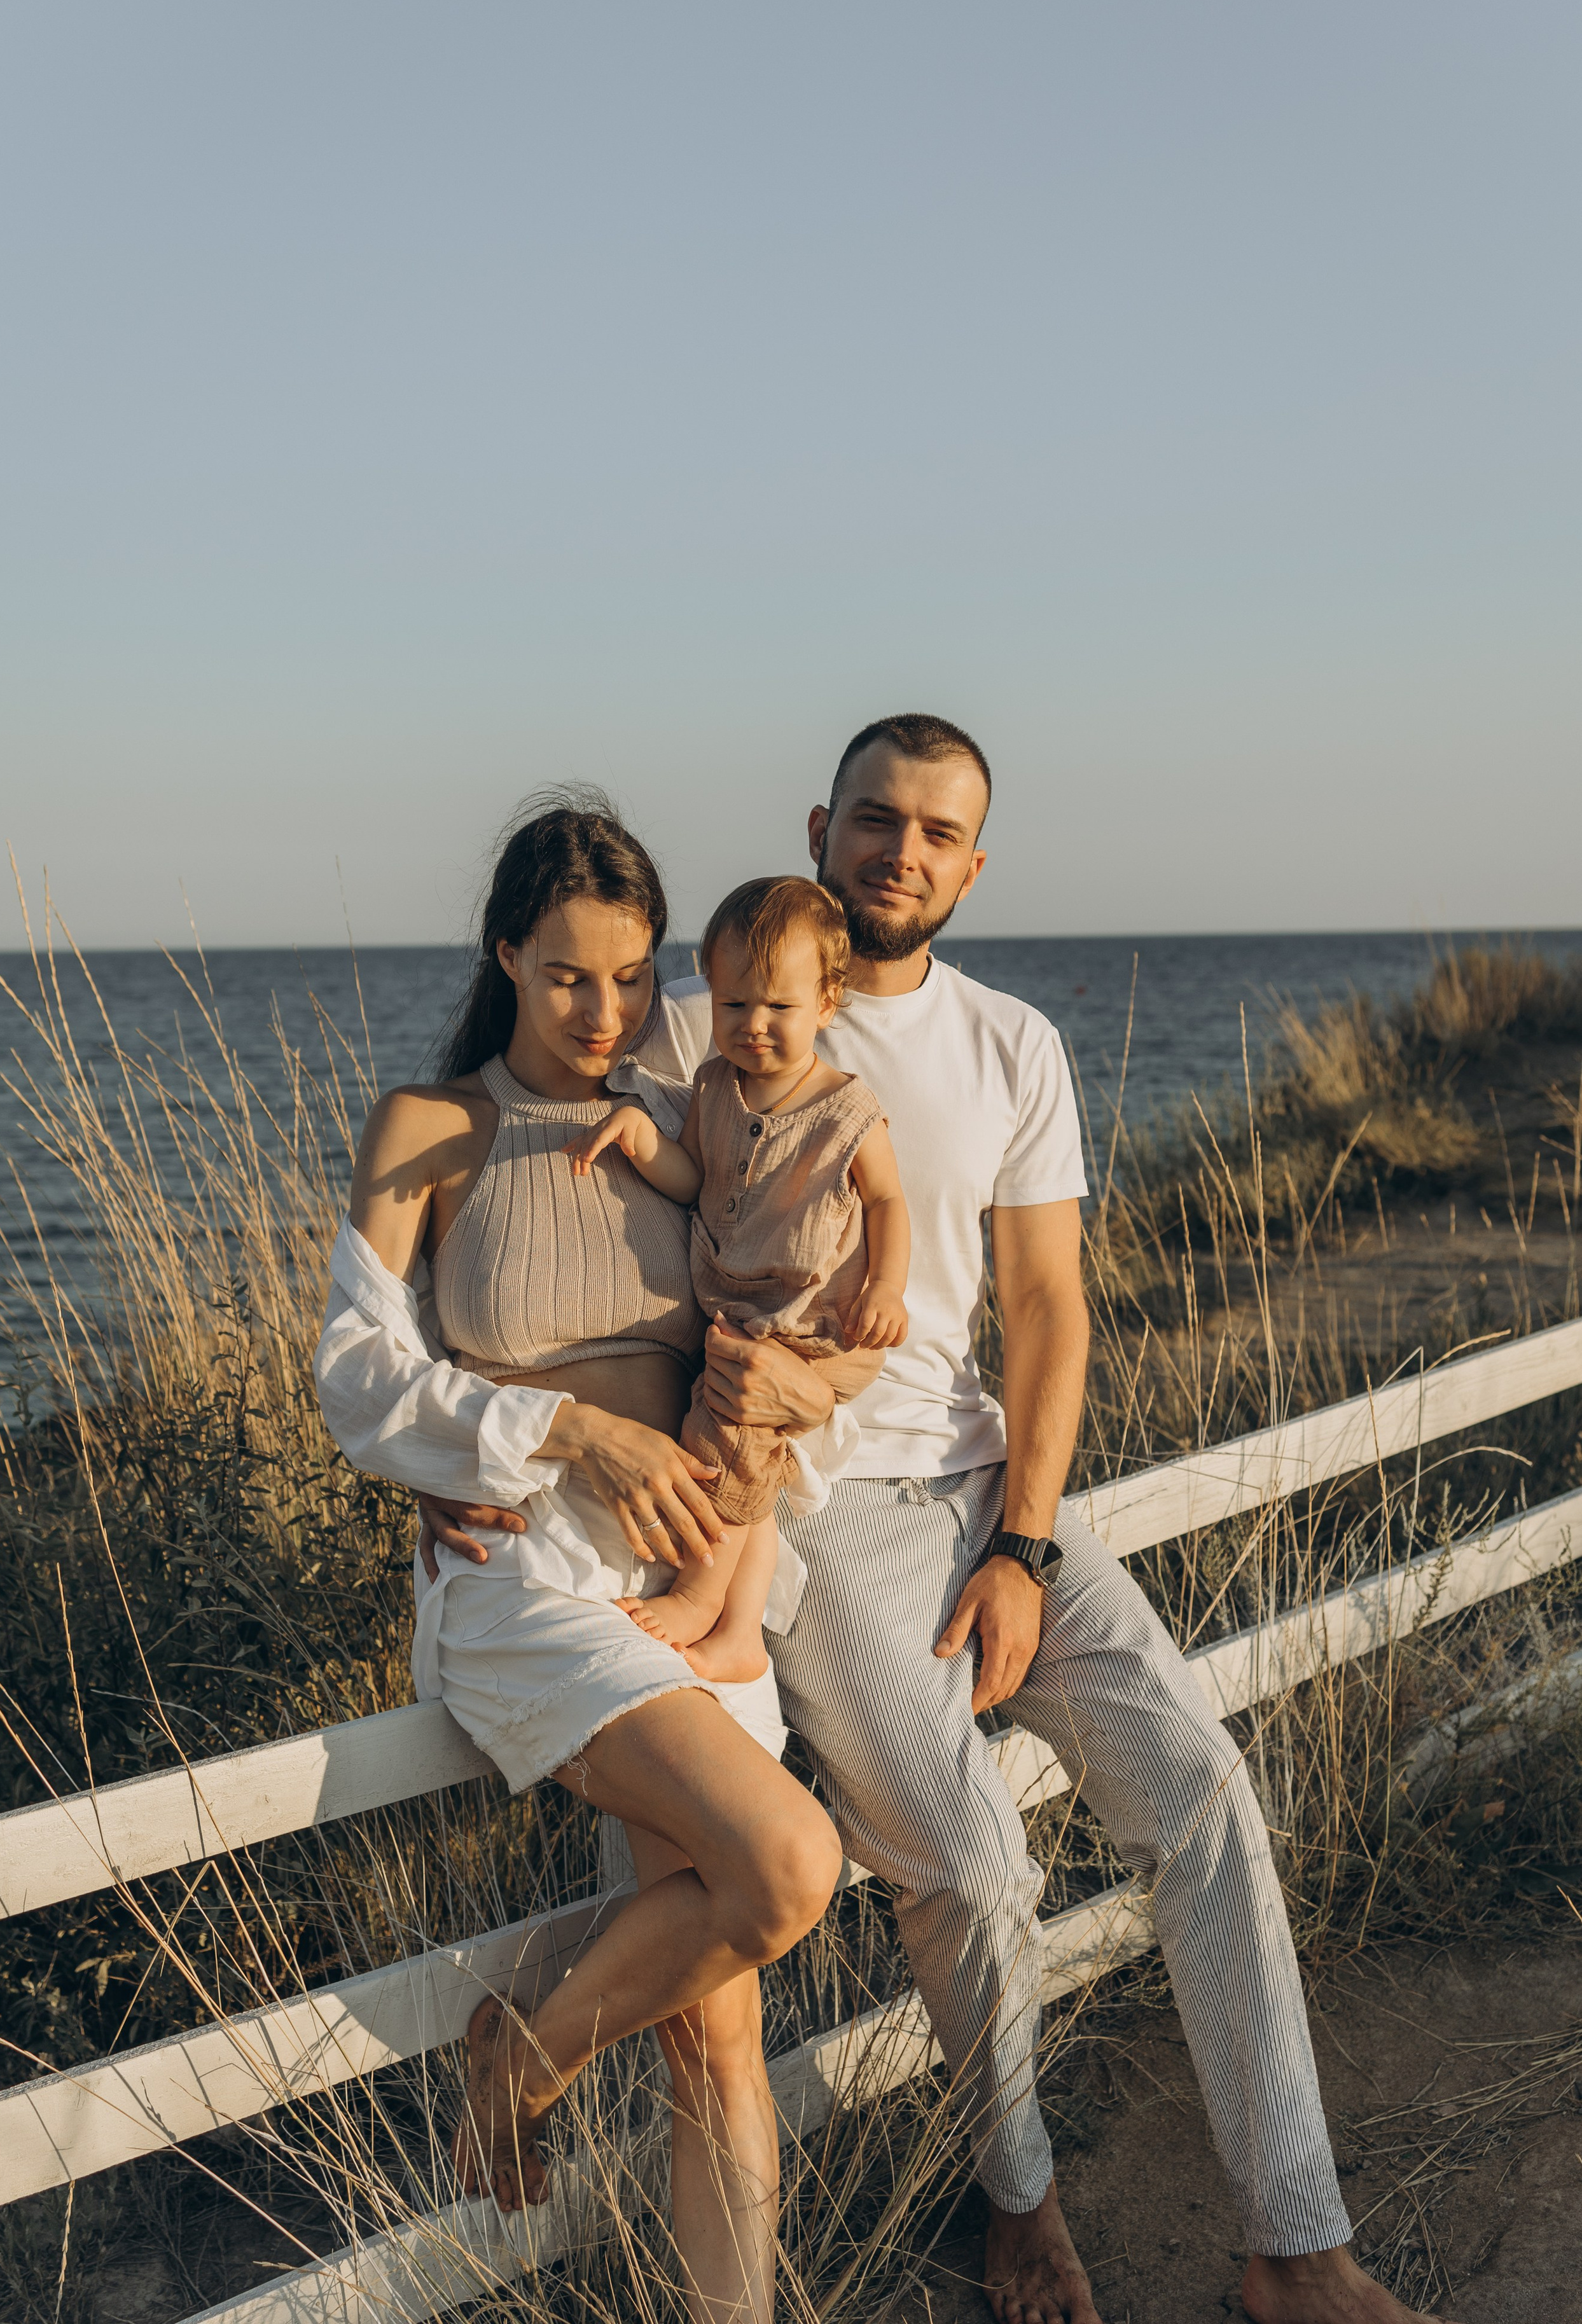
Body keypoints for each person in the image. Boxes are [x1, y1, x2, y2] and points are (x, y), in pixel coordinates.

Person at [627, 715, 1458, 2324]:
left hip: (986, 1489)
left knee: (1203, 1789)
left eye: (937, 832)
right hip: (810, 1511)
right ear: (818, 825)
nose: (900, 851)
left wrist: (1020, 1542)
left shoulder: (1010, 1042)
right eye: (875, 819)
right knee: (965, 1857)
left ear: (974, 862)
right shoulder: (696, 1025)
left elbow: (1047, 1310)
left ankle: (1293, 2245)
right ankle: (1018, 2201)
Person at [314, 795, 843, 2324]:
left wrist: (766, 1458)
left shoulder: (691, 1119)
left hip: (689, 1571)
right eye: (566, 976)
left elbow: (795, 1321)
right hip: (529, 1582)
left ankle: (535, 2065)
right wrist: (560, 1432)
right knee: (788, 1858)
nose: (605, 1012)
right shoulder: (434, 1125)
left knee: (719, 2031)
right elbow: (354, 1377)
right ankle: (524, 2051)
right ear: (504, 952)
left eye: (628, 976)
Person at [569, 872, 910, 1682]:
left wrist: (886, 1289)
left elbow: (890, 1200)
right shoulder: (714, 1088)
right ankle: (742, 1633)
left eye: (779, 1009)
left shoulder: (845, 1109)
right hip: (748, 1316)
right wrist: (641, 1137)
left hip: (822, 1323)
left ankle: (699, 1600)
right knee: (749, 1457)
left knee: (728, 1442)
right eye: (734, 1007)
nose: (753, 1027)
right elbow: (697, 1180)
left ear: (827, 1002)